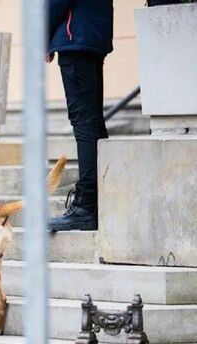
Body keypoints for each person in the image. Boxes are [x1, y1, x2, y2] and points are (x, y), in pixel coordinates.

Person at [46, 0, 113, 231]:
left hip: (75, 36)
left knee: (84, 122)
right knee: (93, 121)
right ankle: (99, 200)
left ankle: (86, 207)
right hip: (92, 34)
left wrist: (41, 36)